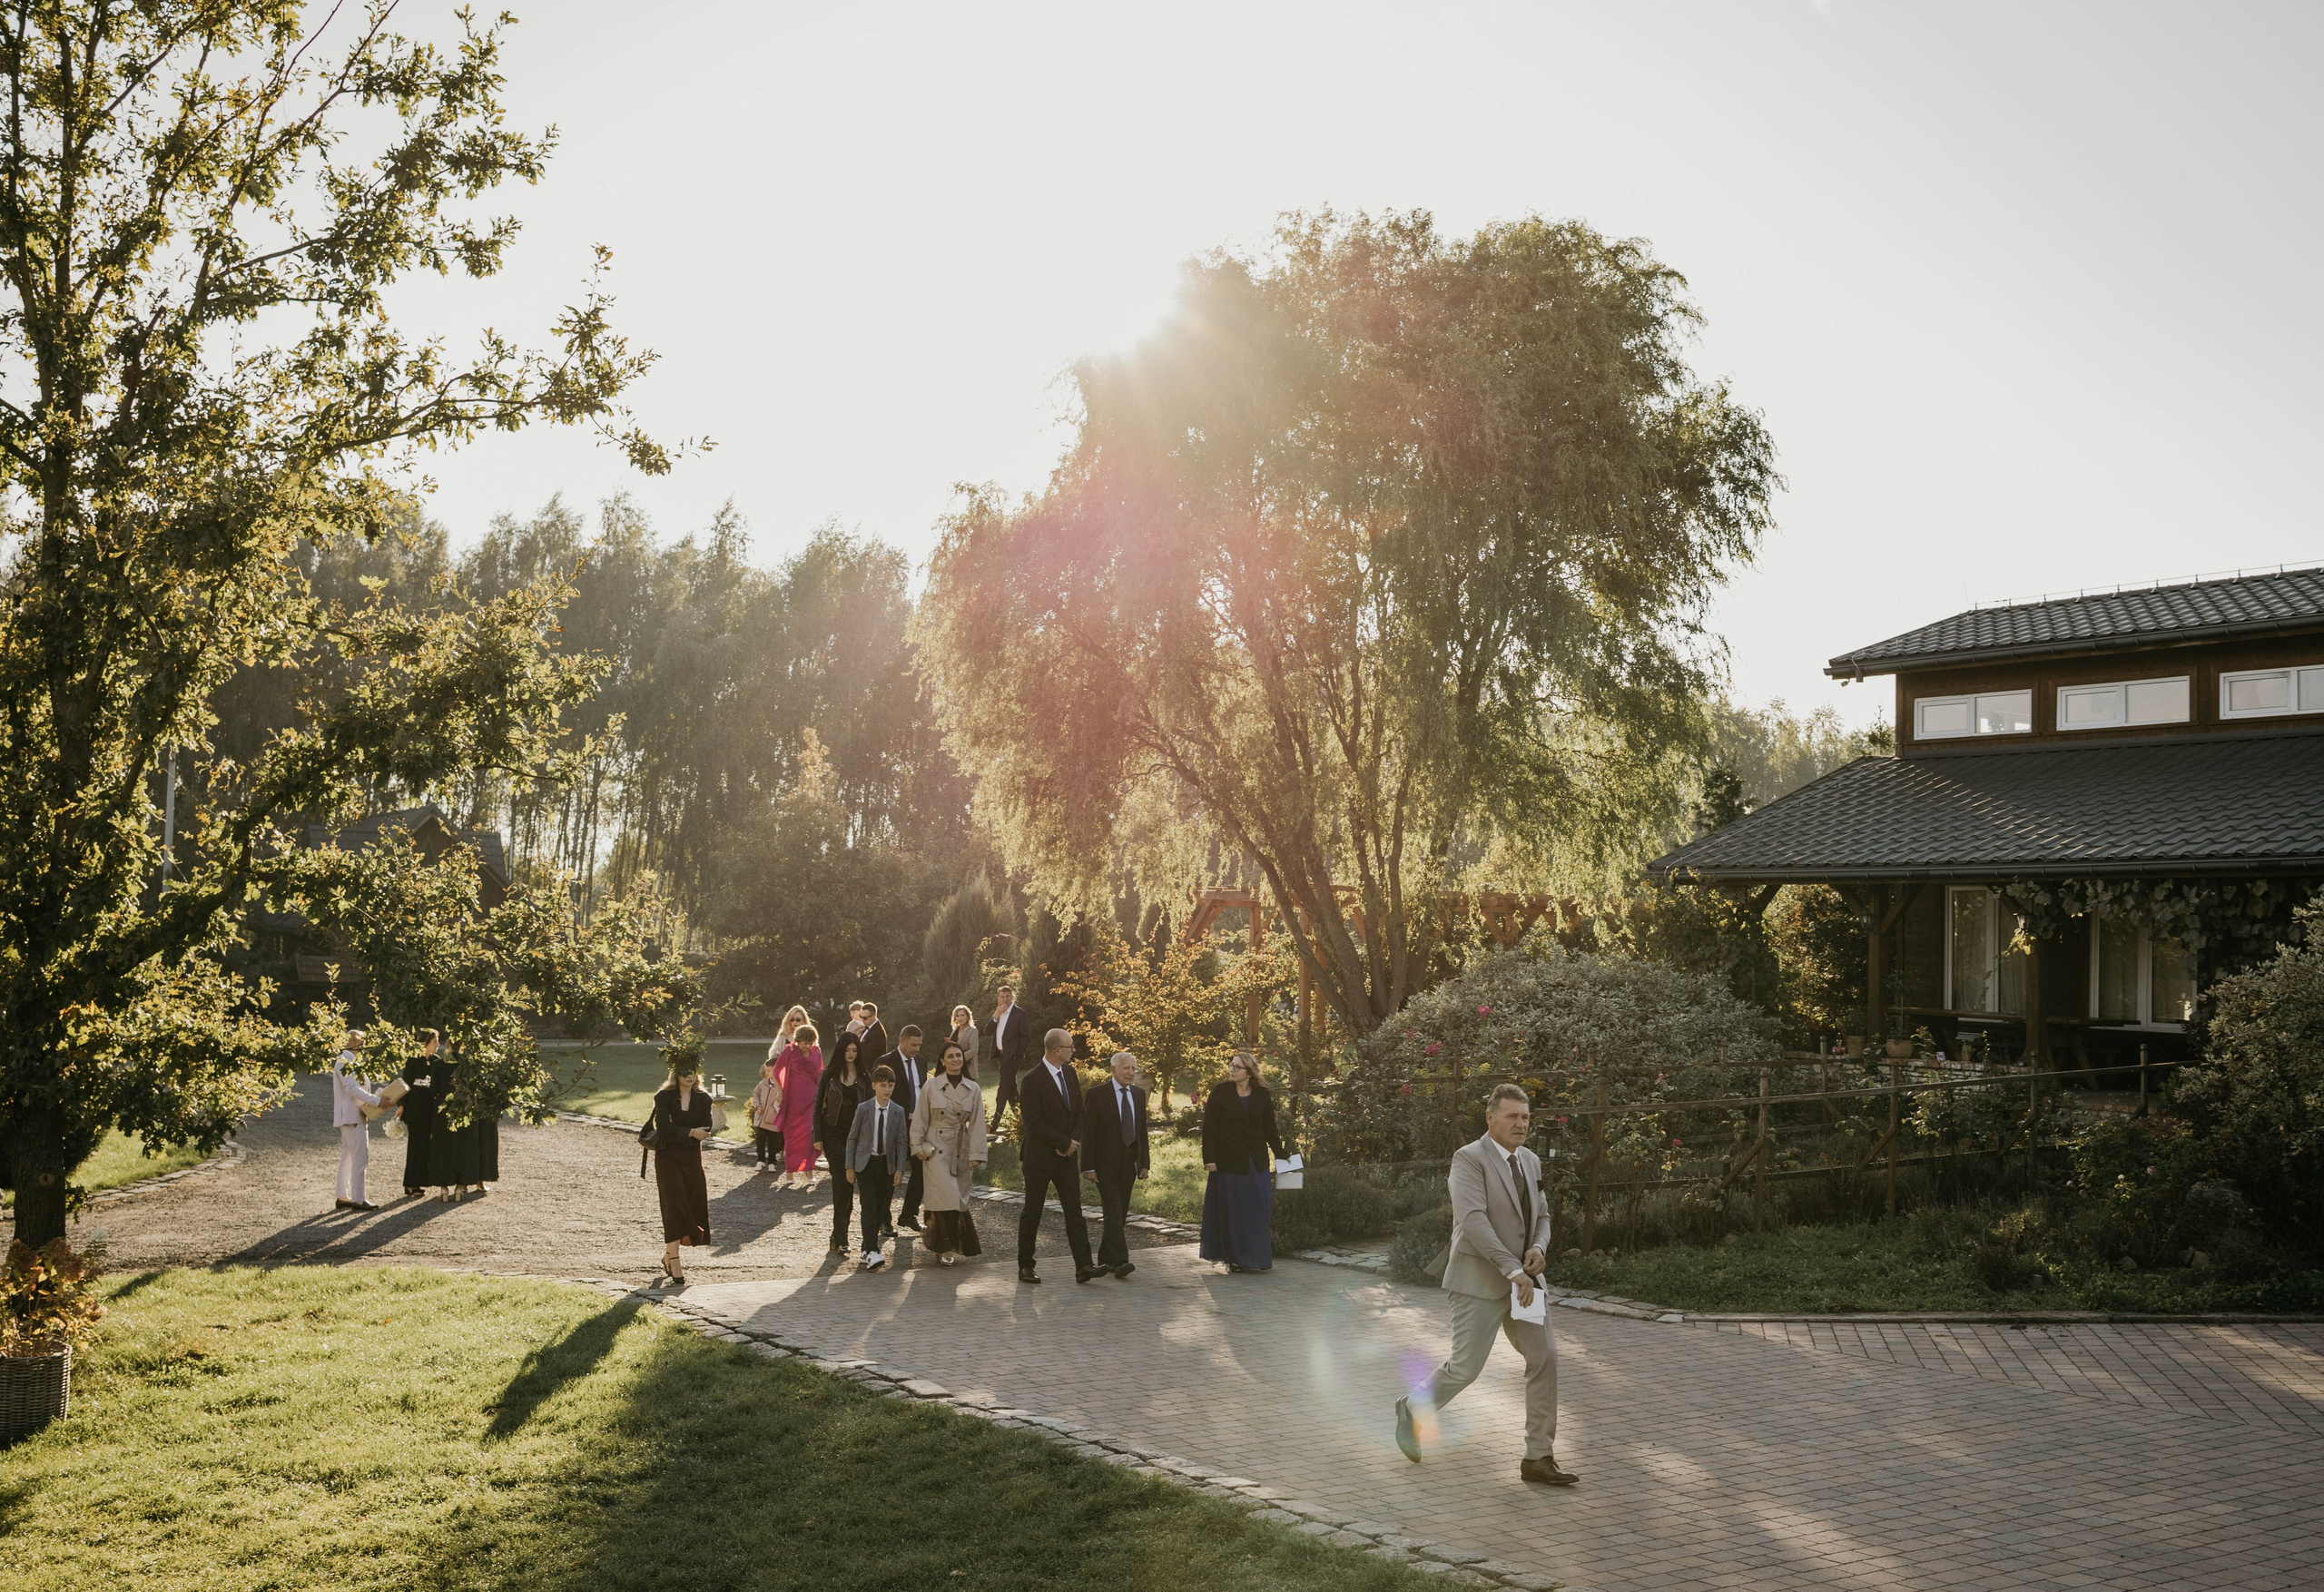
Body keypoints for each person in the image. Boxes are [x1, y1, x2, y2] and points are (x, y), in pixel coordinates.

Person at [1394, 1083, 1572, 1487]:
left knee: (1544, 1358)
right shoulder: (1468, 1159)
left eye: (1525, 1117)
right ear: (1490, 1118)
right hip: (1478, 1280)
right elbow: (1473, 1221)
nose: (1521, 1124)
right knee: (1466, 1368)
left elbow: (1543, 1216)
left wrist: (1539, 1247)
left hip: (1526, 1285)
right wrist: (1511, 1269)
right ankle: (1412, 1409)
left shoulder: (1530, 1160)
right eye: (1512, 1116)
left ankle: (1538, 1458)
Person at [1016, 1027, 1099, 1285]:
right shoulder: (1032, 1080)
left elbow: (1079, 1112)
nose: (1073, 1050)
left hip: (1066, 1157)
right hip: (1039, 1158)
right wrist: (1062, 1142)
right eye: (1069, 1047)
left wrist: (1072, 1143)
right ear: (1056, 1050)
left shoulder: (1070, 1073)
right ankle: (1026, 1266)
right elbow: (1033, 1122)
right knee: (1033, 1212)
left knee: (1074, 1211)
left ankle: (1084, 1265)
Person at [1199, 1050, 1285, 1273]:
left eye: (1237, 1067)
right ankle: (1235, 1259)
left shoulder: (1262, 1094)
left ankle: (1257, 1257)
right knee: (1234, 1211)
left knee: (1258, 1208)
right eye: (1231, 1065)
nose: (1232, 1069)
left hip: (1256, 1161)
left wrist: (1281, 1153)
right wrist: (1209, 1158)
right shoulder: (1220, 1092)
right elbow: (1209, 1128)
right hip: (1228, 1162)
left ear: (1249, 1072)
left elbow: (1269, 1128)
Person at [911, 1039, 986, 1264]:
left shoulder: (973, 1089)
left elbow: (978, 1124)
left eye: (959, 1055)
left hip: (960, 1149)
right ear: (942, 1061)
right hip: (936, 1149)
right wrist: (917, 1146)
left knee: (958, 1199)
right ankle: (944, 1248)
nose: (955, 1060)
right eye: (950, 1056)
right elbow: (920, 1118)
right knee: (944, 1197)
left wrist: (976, 1154)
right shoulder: (931, 1086)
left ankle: (946, 1242)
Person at [1080, 1049, 1148, 1279]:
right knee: (1113, 1210)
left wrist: (1144, 1163)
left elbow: (1141, 1131)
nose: (1131, 1072)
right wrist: (1088, 1166)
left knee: (1120, 1213)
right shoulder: (1097, 1094)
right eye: (1126, 1068)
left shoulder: (1138, 1094)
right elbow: (1088, 1132)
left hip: (1129, 1164)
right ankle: (1121, 1262)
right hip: (1104, 1165)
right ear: (1113, 1070)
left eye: (1133, 1068)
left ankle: (1106, 1258)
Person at [647, 1057, 715, 1285]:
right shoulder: (663, 1097)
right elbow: (663, 1129)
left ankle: (668, 1255)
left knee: (692, 1201)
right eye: (685, 1071)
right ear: (676, 1073)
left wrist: (684, 1133)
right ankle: (675, 1259)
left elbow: (706, 1127)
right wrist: (690, 1133)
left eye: (693, 1071)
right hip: (667, 1156)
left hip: (692, 1158)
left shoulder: (704, 1098)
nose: (689, 1076)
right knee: (674, 1203)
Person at [845, 1066, 909, 1270]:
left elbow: (901, 1142)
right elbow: (852, 1138)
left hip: (886, 1165)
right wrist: (849, 1167)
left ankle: (866, 1251)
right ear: (874, 1086)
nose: (887, 1089)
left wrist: (899, 1168)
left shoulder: (898, 1111)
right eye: (882, 1085)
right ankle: (873, 1250)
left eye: (890, 1085)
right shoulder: (864, 1109)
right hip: (866, 1164)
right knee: (869, 1207)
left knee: (881, 1209)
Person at [814, 1034, 872, 1254]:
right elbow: (818, 1108)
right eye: (847, 1050)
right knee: (842, 1183)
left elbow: (870, 1109)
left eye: (855, 1050)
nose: (851, 1054)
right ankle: (841, 1237)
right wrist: (817, 1137)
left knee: (853, 1185)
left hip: (857, 1137)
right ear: (841, 1050)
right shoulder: (828, 1074)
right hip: (833, 1136)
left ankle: (838, 1236)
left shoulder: (864, 1077)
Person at [434, 1042, 500, 1202]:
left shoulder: (439, 1064)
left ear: (448, 1045)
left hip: (445, 1111)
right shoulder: (470, 1065)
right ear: (462, 1046)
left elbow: (433, 1090)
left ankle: (444, 1188)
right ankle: (460, 1186)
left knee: (444, 1149)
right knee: (464, 1149)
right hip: (465, 1110)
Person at [881, 1026, 930, 1232]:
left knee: (921, 1170)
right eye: (913, 1045)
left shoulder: (921, 1062)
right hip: (894, 1124)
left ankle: (908, 1215)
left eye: (919, 1045)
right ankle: (884, 1219)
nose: (916, 1049)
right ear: (901, 1041)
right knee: (890, 1171)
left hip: (917, 1125)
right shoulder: (886, 1061)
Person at [330, 1030, 382, 1211]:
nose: (363, 1044)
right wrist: (376, 1101)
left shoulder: (350, 1061)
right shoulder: (344, 1061)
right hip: (351, 1116)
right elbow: (352, 1089)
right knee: (360, 1158)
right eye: (360, 1040)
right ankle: (358, 1199)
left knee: (348, 1157)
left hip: (352, 1115)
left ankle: (342, 1196)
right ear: (352, 1041)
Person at [773, 1022, 823, 1188]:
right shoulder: (789, 1051)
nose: (808, 1046)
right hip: (794, 1099)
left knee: (810, 1134)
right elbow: (776, 1070)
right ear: (798, 1040)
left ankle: (809, 1170)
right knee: (792, 1135)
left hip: (812, 1098)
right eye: (805, 1043)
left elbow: (821, 1072)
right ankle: (790, 1172)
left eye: (811, 1043)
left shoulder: (817, 1051)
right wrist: (780, 1091)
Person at [399, 1027, 444, 1200]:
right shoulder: (413, 1061)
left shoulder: (436, 1061)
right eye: (435, 1041)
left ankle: (421, 1180)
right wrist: (401, 1105)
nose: (437, 1044)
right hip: (415, 1109)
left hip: (429, 1110)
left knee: (426, 1146)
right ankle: (411, 1182)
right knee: (415, 1146)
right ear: (425, 1043)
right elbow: (405, 1084)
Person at [988, 984, 1029, 1129]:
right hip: (1002, 1057)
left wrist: (1016, 1055)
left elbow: (1026, 1037)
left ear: (1012, 997)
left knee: (1003, 1088)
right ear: (998, 998)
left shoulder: (1020, 1013)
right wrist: (995, 1015)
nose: (1005, 999)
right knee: (1011, 1089)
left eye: (1007, 996)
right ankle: (1022, 1120)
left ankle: (995, 1123)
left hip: (1013, 1058)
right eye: (1002, 997)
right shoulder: (998, 1013)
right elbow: (987, 1031)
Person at [748, 1053, 784, 1173]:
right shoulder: (762, 1084)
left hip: (773, 1119)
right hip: (761, 1119)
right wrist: (757, 1106)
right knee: (760, 1139)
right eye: (766, 1070)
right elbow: (756, 1095)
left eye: (769, 1070)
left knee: (773, 1142)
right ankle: (760, 1160)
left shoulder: (781, 1087)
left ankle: (772, 1162)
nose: (766, 1073)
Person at [949, 1004, 980, 1080]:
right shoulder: (955, 1030)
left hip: (967, 1067)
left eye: (962, 1015)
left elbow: (974, 1050)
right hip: (954, 1067)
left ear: (967, 1016)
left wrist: (959, 1059)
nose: (960, 1018)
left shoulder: (972, 1030)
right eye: (957, 1016)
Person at [856, 1001, 890, 1067]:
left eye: (865, 1018)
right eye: (861, 1017)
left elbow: (868, 1056)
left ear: (874, 1016)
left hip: (871, 1069)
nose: (862, 1020)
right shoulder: (868, 1027)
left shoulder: (877, 1033)